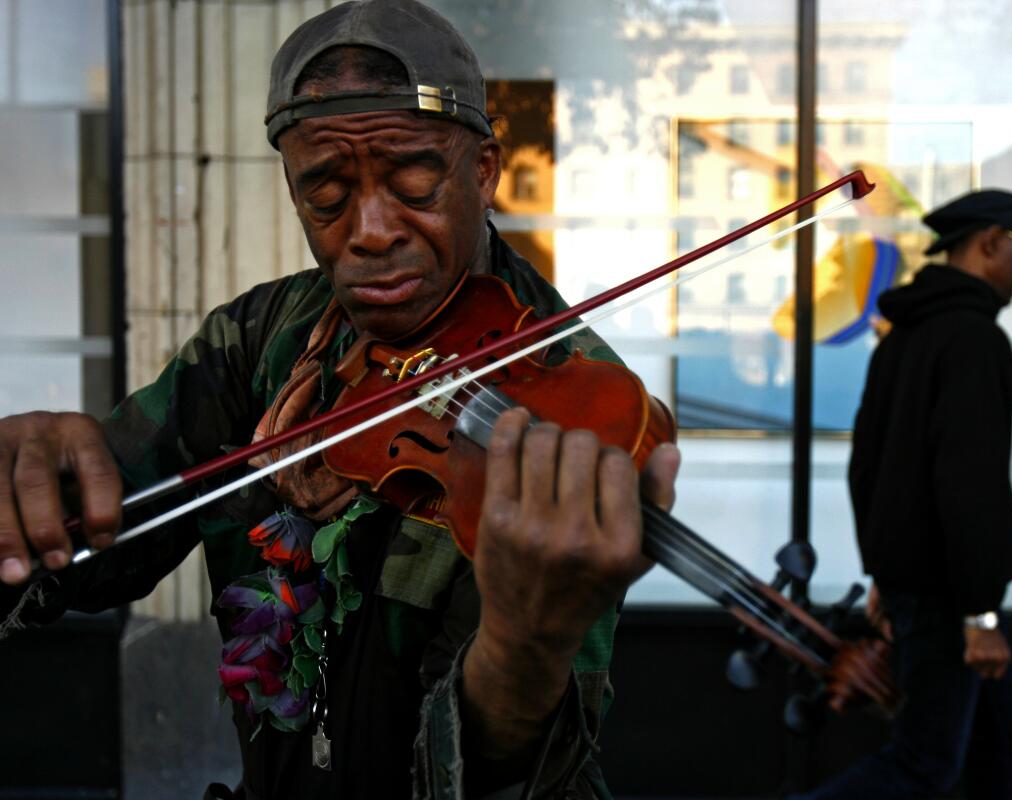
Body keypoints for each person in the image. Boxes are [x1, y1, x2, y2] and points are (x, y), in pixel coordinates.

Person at [0, 1, 680, 797]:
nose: (370, 231)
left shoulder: (571, 408)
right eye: (326, 191)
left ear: (485, 169)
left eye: (415, 178)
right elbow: (111, 514)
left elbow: (502, 773)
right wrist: (33, 490)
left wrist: (525, 651)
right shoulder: (260, 336)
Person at [800, 189, 1012, 799]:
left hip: (923, 589)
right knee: (924, 764)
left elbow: (869, 468)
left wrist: (884, 572)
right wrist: (980, 613)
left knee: (1007, 763)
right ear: (991, 243)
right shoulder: (976, 341)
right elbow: (971, 483)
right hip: (950, 599)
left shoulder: (902, 339)